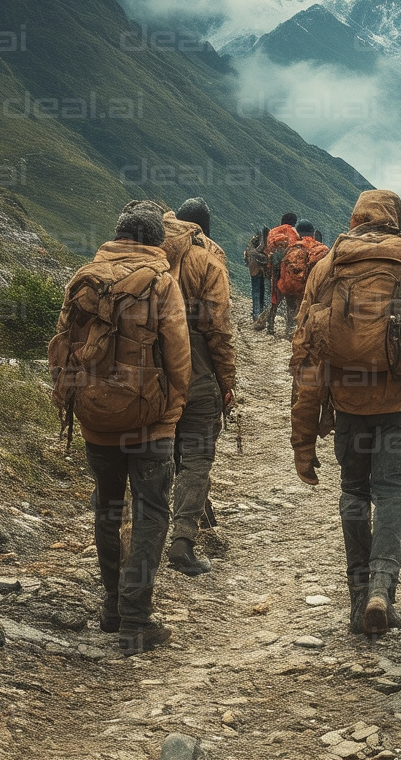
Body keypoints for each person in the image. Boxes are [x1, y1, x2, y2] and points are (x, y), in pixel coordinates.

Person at [289, 190, 401, 636]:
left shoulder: (326, 268)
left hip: (346, 402)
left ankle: (359, 596)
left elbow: (307, 358)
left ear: (356, 219)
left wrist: (303, 442)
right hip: (399, 400)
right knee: (392, 492)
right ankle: (383, 587)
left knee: (354, 491)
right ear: (396, 220)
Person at [48, 201, 191, 657]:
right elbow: (179, 355)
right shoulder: (161, 282)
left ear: (117, 235)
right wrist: (172, 409)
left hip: (95, 421)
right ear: (155, 241)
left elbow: (62, 346)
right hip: (149, 422)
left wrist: (79, 402)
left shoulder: (83, 278)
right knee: (151, 513)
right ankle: (136, 618)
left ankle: (111, 607)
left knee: (108, 509)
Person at [161, 206, 236, 577]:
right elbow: (218, 328)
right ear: (205, 227)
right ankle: (183, 541)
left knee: (162, 446)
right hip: (197, 362)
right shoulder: (208, 258)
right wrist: (227, 381)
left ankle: (152, 532)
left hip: (149, 367)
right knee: (197, 452)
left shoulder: (151, 251)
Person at [265, 213, 299, 336]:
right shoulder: (293, 232)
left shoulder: (273, 232)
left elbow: (268, 250)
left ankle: (270, 326)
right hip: (288, 270)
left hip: (275, 269)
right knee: (290, 298)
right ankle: (289, 327)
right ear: (294, 222)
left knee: (275, 298)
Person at [244, 227, 269, 320]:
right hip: (262, 271)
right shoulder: (264, 245)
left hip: (253, 270)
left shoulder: (251, 244)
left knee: (256, 292)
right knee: (260, 292)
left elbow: (246, 256)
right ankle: (259, 314)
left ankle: (257, 314)